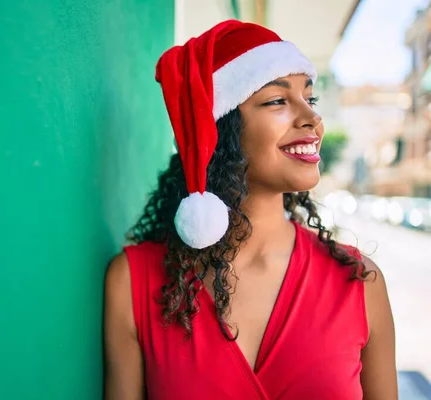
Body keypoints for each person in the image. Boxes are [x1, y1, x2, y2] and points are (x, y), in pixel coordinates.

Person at [103, 20, 397, 400]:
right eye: (277, 100)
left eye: (310, 98)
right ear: (219, 130)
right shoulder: (132, 282)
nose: (312, 118)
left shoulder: (360, 283)